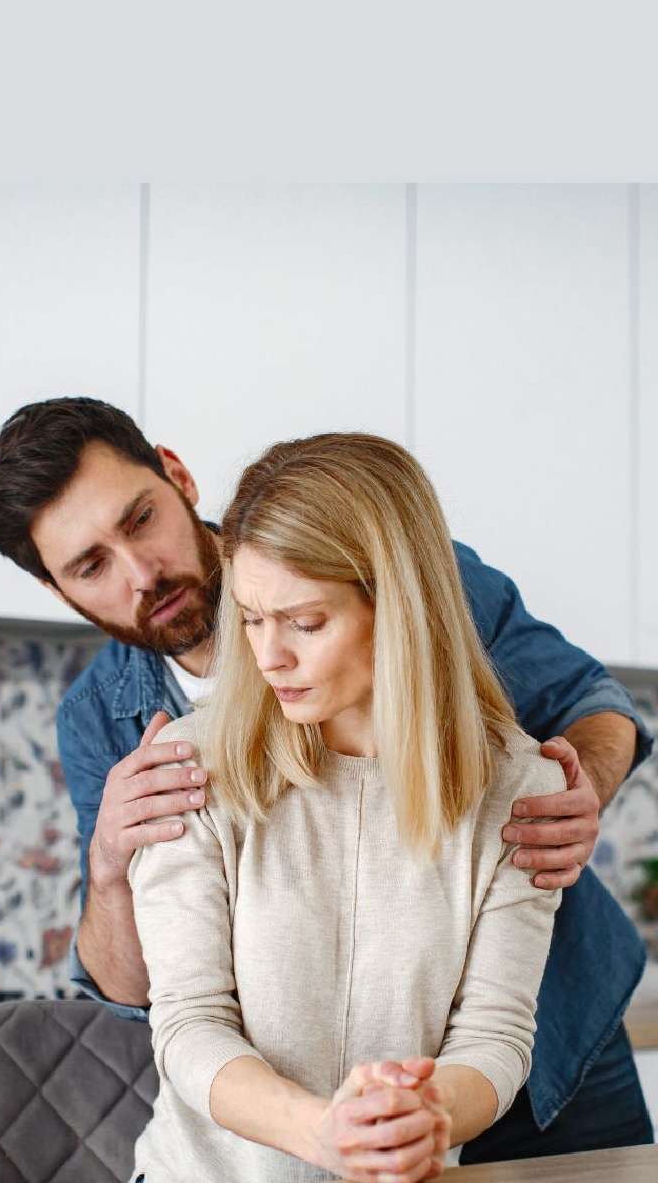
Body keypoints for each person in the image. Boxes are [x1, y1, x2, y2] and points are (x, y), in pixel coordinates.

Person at [0, 397, 654, 1163]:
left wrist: (568, 803)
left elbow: (589, 701)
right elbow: (156, 1001)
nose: (142, 573)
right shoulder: (112, 723)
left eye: (140, 520)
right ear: (57, 589)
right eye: (90, 566)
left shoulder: (399, 557)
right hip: (276, 1131)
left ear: (177, 476)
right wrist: (109, 868)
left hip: (552, 1029)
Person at [127, 430, 568, 1181]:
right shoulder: (189, 767)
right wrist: (321, 1131)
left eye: (305, 622)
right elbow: (188, 1022)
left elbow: (495, 1037)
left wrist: (427, 1113)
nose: (269, 656)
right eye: (251, 617)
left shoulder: (520, 790)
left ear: (400, 606)